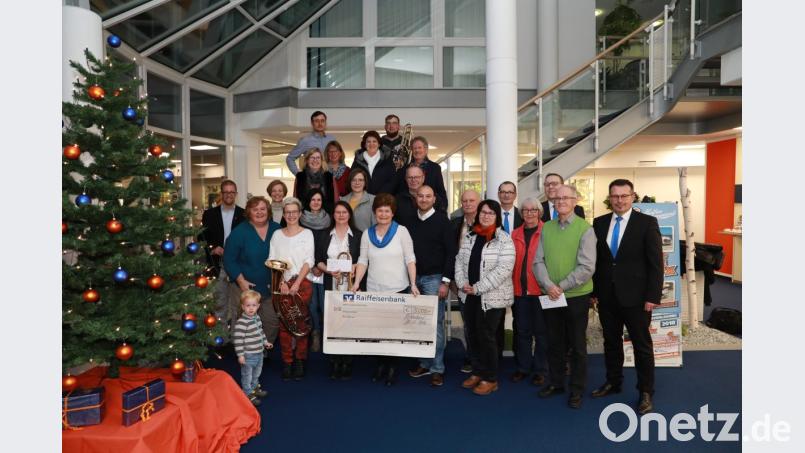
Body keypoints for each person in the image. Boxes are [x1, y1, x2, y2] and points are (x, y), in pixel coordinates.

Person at [590, 179, 663, 415]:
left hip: (637, 298)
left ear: (633, 197)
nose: (619, 200)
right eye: (615, 196)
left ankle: (645, 391)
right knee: (611, 343)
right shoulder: (599, 223)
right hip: (607, 297)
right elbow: (598, 262)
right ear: (609, 198)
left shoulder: (647, 223)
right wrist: (594, 292)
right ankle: (613, 381)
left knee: (642, 346)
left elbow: (656, 264)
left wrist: (652, 296)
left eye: (624, 196)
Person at [533, 185, 596, 409]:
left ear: (575, 200)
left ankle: (577, 389)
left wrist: (560, 286)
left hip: (576, 296)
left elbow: (587, 267)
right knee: (554, 342)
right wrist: (549, 286)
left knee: (577, 346)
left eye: (565, 197)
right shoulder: (547, 228)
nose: (560, 201)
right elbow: (537, 261)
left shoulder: (585, 229)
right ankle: (557, 382)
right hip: (550, 295)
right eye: (557, 198)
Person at [351, 193, 419, 386]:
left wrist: (413, 283)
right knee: (377, 332)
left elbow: (410, 259)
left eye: (386, 210)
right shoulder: (367, 234)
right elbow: (363, 260)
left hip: (397, 289)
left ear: (392, 212)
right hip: (374, 290)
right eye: (379, 210)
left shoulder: (402, 231)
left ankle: (392, 367)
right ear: (375, 213)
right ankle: (380, 364)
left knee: (394, 332)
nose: (383, 214)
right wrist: (356, 283)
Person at [455, 200, 516, 396]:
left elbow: (503, 270)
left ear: (497, 216)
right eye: (483, 212)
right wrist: (462, 283)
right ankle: (477, 371)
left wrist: (478, 288)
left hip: (491, 298)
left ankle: (490, 378)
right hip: (469, 295)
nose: (486, 216)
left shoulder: (504, 239)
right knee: (472, 334)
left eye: (490, 213)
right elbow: (459, 261)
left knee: (487, 336)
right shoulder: (471, 236)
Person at [407, 185, 456, 387]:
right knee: (418, 324)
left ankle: (437, 367)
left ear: (434, 199)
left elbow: (451, 253)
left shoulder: (444, 222)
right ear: (416, 198)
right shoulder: (410, 221)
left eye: (428, 196)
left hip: (434, 279)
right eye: (421, 196)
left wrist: (445, 281)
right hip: (413, 279)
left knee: (435, 325)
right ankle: (424, 363)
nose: (424, 199)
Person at [223, 196, 281, 347]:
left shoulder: (277, 229)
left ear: (268, 211)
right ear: (249, 212)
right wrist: (241, 281)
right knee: (245, 324)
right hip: (246, 288)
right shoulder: (239, 232)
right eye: (255, 209)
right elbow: (229, 259)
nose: (259, 212)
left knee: (271, 321)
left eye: (263, 209)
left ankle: (264, 349)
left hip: (272, 288)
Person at [268, 198, 316, 381]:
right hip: (281, 284)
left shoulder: (307, 234)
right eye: (287, 212)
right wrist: (282, 282)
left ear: (300, 213)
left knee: (300, 324)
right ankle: (287, 361)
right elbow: (273, 260)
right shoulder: (277, 235)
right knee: (284, 324)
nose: (291, 215)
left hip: (301, 283)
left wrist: (296, 283)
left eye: (294, 212)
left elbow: (309, 261)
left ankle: (300, 360)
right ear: (283, 213)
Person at [315, 201, 363, 380]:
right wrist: (328, 270)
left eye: (344, 212)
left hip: (351, 287)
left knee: (349, 322)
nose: (341, 215)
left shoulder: (358, 235)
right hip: (331, 285)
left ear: (349, 215)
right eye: (337, 212)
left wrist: (354, 267)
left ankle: (347, 362)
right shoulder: (324, 235)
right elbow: (317, 259)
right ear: (333, 215)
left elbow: (363, 259)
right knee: (332, 323)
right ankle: (335, 361)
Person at [198, 180, 245, 337]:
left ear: (236, 194)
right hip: (218, 265)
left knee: (238, 304)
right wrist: (213, 248)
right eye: (226, 192)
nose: (229, 195)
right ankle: (221, 338)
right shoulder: (209, 214)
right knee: (219, 303)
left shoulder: (244, 214)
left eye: (232, 192)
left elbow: (247, 240)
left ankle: (236, 338)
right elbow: (201, 237)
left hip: (238, 266)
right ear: (221, 194)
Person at [510, 198, 548, 386]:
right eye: (526, 210)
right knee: (522, 331)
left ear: (540, 212)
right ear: (521, 213)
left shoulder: (548, 232)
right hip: (519, 291)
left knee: (541, 333)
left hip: (541, 291)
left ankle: (541, 369)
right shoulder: (514, 234)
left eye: (534, 210)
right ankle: (523, 368)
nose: (529, 213)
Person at [451, 189, 481, 374]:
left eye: (471, 200)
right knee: (468, 322)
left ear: (479, 202)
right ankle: (471, 358)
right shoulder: (455, 224)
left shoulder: (487, 223)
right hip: (462, 282)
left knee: (483, 325)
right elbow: (451, 253)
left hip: (483, 284)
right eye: (464, 201)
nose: (468, 203)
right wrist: (454, 281)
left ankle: (484, 359)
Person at [299, 189, 331, 352]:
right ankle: (315, 334)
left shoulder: (329, 220)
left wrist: (321, 265)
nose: (316, 202)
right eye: (313, 200)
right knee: (311, 305)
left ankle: (327, 335)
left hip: (324, 268)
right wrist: (311, 266)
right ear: (308, 202)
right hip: (307, 268)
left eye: (319, 199)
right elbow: (301, 245)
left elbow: (329, 245)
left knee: (325, 305)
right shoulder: (301, 220)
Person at [496, 180, 523, 360]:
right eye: (503, 192)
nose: (506, 195)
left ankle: (520, 360)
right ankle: (495, 358)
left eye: (510, 192)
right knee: (495, 321)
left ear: (515, 195)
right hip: (496, 275)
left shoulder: (524, 215)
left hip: (520, 274)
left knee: (520, 321)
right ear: (499, 194)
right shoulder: (490, 214)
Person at [233, 290, 273, 407]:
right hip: (248, 354)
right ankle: (247, 393)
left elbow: (261, 332)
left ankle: (255, 388)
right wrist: (240, 355)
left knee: (257, 373)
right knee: (247, 375)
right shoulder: (242, 322)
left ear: (258, 306)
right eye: (248, 305)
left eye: (254, 305)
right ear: (243, 306)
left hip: (259, 352)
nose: (251, 308)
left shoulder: (257, 318)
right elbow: (238, 340)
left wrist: (265, 342)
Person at [285, 111, 336, 175]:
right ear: (312, 123)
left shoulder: (331, 139)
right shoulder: (305, 140)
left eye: (322, 121)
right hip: (311, 179)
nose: (320, 123)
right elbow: (290, 158)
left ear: (325, 123)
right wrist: (299, 175)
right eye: (317, 121)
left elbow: (338, 157)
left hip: (329, 178)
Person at [351, 130, 400, 195]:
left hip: (383, 199)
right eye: (368, 142)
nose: (371, 144)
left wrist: (379, 196)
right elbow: (352, 179)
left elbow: (392, 180)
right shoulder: (358, 160)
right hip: (362, 198)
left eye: (374, 141)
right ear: (365, 144)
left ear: (379, 144)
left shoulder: (387, 158)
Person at [408, 136, 448, 210]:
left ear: (426, 150)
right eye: (414, 148)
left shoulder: (435, 168)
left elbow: (441, 191)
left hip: (431, 209)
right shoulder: (405, 169)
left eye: (419, 148)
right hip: (410, 209)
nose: (417, 150)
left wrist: (442, 209)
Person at [293, 148, 336, 215]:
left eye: (318, 158)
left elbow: (335, 199)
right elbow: (295, 200)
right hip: (304, 217)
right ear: (307, 160)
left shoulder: (329, 177)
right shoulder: (300, 177)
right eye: (312, 157)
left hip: (326, 217)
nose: (315, 160)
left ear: (322, 160)